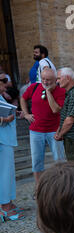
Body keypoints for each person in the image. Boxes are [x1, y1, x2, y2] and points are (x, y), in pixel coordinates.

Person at [20, 68, 66, 185]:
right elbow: (23, 99)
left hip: (54, 131)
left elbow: (55, 109)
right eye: (43, 79)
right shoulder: (34, 87)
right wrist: (25, 114)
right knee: (37, 162)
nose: (45, 82)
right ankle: (39, 188)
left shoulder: (61, 91)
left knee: (60, 160)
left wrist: (49, 92)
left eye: (49, 80)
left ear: (55, 80)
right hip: (36, 131)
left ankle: (62, 186)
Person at [0, 72, 24, 222]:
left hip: (5, 139)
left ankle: (6, 204)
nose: (5, 85)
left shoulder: (2, 96)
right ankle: (6, 208)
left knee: (6, 173)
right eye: (3, 82)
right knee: (5, 174)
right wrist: (5, 118)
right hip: (2, 140)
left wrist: (14, 113)